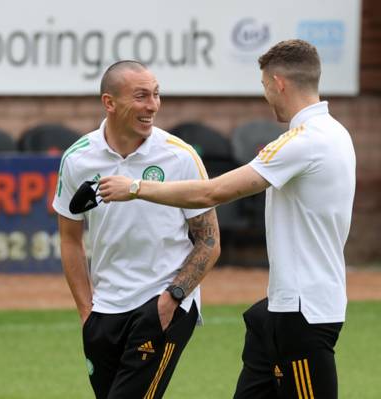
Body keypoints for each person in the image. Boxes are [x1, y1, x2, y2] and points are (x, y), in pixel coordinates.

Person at [97, 39, 356, 399]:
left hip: (304, 312)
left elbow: (211, 193)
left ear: (279, 83)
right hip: (281, 309)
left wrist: (136, 188)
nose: (266, 96)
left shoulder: (303, 141)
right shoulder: (336, 133)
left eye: (265, 86)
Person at [52, 60, 221, 399]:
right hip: (104, 310)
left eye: (156, 95)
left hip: (161, 305)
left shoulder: (180, 157)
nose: (152, 106)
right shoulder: (77, 159)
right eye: (141, 96)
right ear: (109, 103)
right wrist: (87, 312)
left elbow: (209, 242)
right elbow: (70, 241)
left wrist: (171, 299)